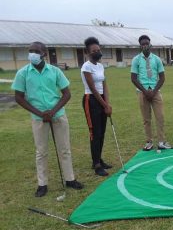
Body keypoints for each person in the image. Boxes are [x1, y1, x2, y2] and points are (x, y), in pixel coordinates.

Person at [11, 41, 83, 197]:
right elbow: (18, 97)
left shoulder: (55, 71)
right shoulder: (23, 73)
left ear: (44, 53)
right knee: (41, 151)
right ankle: (42, 184)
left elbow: (66, 93)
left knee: (64, 149)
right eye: (30, 51)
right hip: (38, 118)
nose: (32, 54)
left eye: (36, 51)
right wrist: (40, 113)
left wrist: (52, 111)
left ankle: (70, 179)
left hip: (58, 115)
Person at [131, 35, 172, 151]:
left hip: (155, 92)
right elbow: (133, 78)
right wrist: (145, 91)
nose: (145, 46)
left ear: (150, 44)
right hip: (142, 92)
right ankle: (149, 142)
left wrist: (153, 92)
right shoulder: (136, 60)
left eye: (146, 43)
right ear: (140, 46)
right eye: (142, 44)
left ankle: (161, 141)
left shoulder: (157, 59)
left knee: (160, 117)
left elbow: (162, 78)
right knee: (146, 119)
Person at [81, 37, 113, 176]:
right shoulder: (86, 67)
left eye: (99, 50)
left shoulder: (100, 66)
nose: (97, 52)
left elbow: (104, 85)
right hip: (91, 100)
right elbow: (92, 88)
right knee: (95, 133)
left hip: (102, 99)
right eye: (94, 51)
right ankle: (96, 164)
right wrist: (104, 104)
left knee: (102, 132)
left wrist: (108, 103)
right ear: (88, 53)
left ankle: (99, 158)